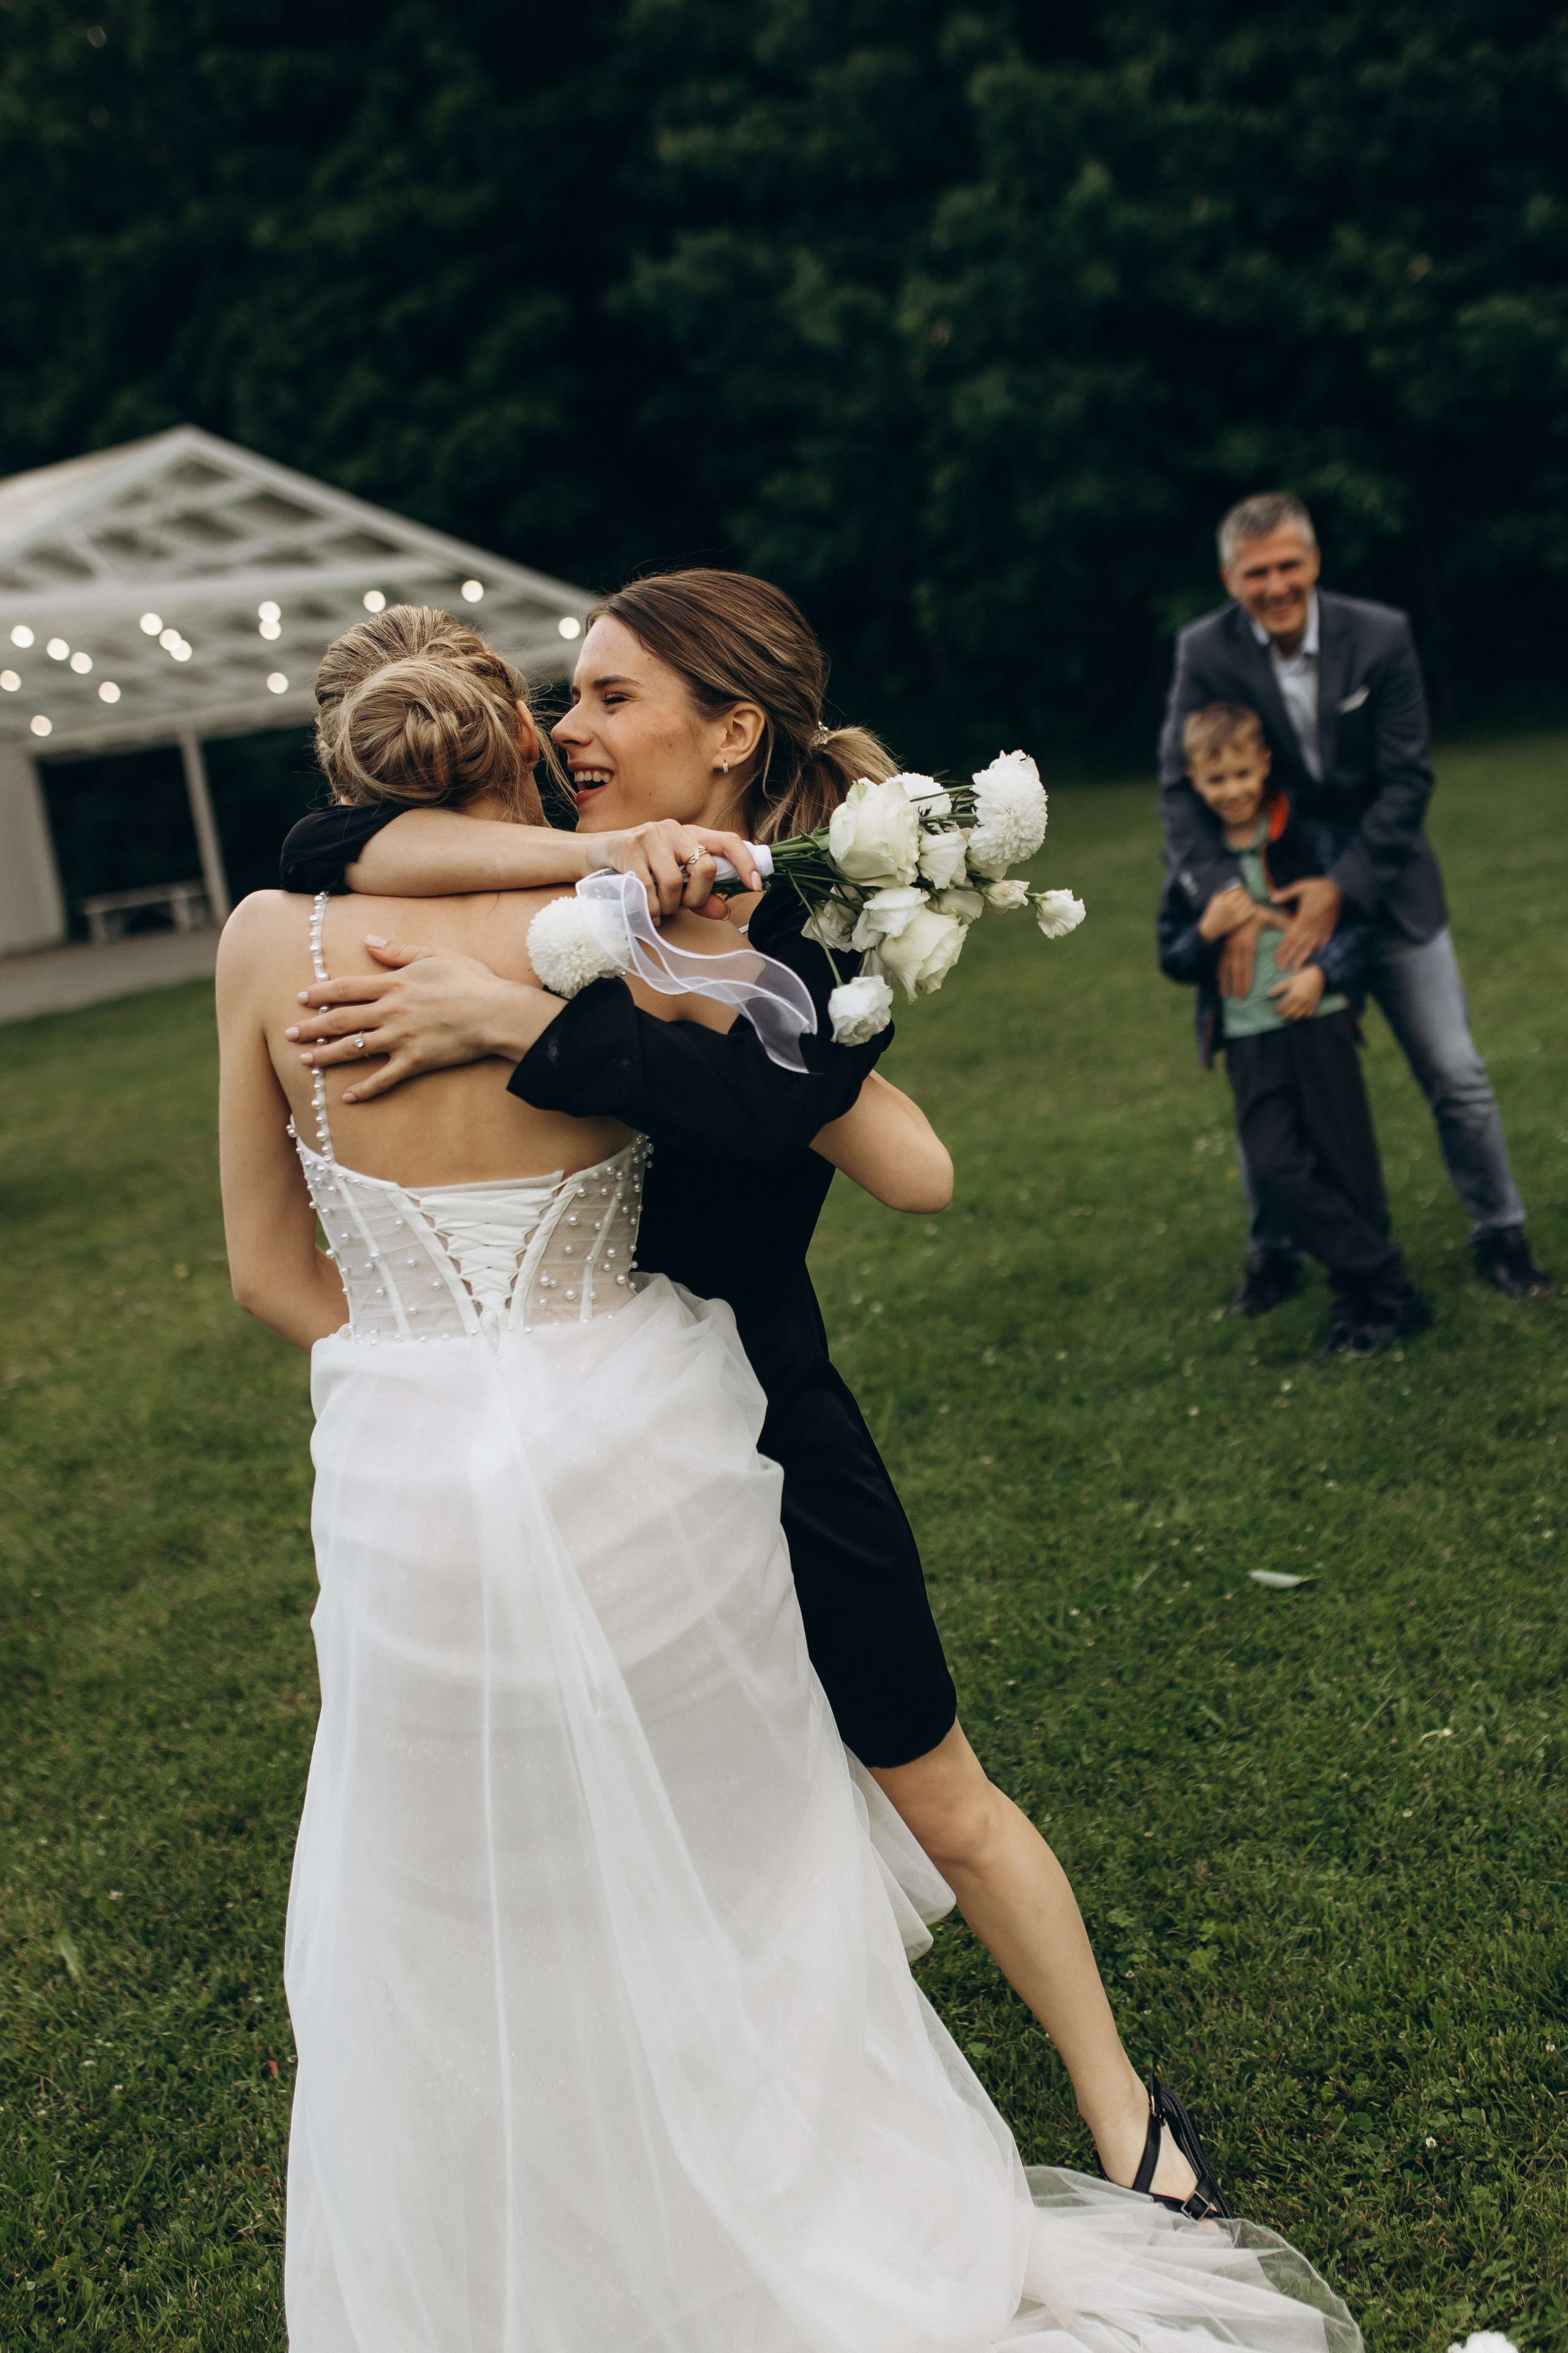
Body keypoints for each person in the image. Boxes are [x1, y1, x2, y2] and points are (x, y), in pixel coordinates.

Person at [216, 616, 1362, 2351]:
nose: (571, 727)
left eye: (608, 698)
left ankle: (1131, 2126)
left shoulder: (720, 935)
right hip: (638, 1447)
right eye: (558, 703)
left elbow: (909, 1164)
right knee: (695, 1883)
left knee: (928, 1799)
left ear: (730, 728)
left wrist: (533, 1009)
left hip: (751, 1437)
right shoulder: (583, 885)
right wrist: (588, 896)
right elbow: (346, 846)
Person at [1159, 490, 1550, 1315]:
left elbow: (1409, 779)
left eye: (1288, 565)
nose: (1275, 584)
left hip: (1385, 884)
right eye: (1256, 572)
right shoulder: (1204, 649)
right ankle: (1276, 1252)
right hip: (1267, 897)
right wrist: (1226, 901)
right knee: (1265, 1077)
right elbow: (1177, 787)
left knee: (1455, 1068)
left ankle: (1500, 1230)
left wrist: (1343, 888)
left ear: (1315, 561)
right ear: (1232, 579)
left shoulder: (1382, 635)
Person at [1159, 703, 1431, 1358]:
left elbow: (1357, 923)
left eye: (1242, 774)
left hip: (1319, 1023)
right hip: (1248, 1035)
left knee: (1347, 1169)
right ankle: (1388, 1283)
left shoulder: (1305, 835)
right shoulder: (1196, 866)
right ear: (1194, 781)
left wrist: (1324, 977)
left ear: (1264, 766)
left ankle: (1363, 1302)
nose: (1232, 791)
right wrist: (1206, 932)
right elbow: (1173, 955)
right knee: (1276, 1166)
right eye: (1216, 779)